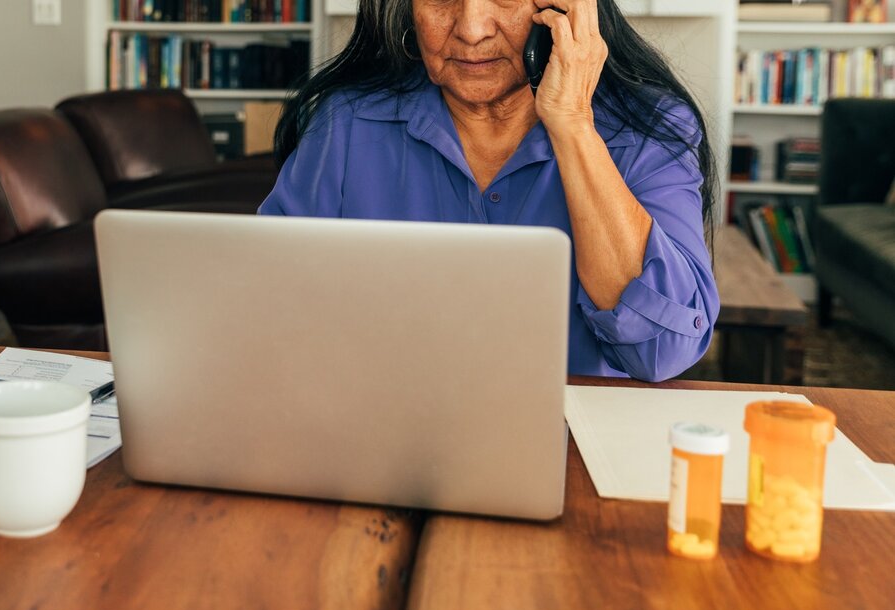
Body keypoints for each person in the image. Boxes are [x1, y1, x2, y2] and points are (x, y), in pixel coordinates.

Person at [259, 0, 719, 383]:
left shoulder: (650, 129)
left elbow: (663, 351)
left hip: (572, 454)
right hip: (380, 438)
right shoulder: (346, 122)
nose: (472, 29)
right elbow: (266, 313)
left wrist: (573, 125)